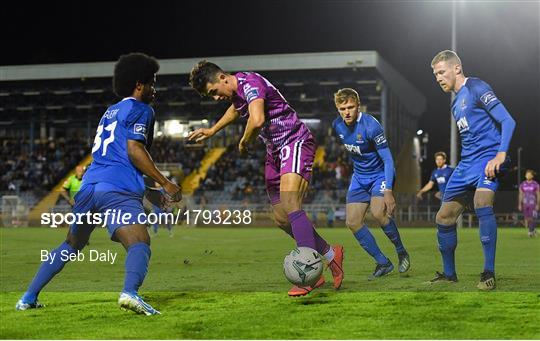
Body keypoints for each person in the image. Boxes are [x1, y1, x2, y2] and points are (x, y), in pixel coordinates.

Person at [16, 53, 182, 314]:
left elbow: (121, 155)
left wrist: (150, 192)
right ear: (139, 84)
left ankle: (27, 297)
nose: (154, 89)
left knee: (71, 245)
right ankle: (129, 293)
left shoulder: (110, 111)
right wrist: (165, 183)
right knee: (140, 242)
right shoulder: (142, 109)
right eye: (152, 82)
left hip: (90, 187)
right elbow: (134, 150)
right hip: (116, 190)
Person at [187, 61, 344, 297]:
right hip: (275, 152)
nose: (215, 98)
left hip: (294, 141)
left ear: (222, 78)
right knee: (281, 218)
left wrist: (244, 141)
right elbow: (236, 109)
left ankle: (308, 271)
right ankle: (332, 254)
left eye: (213, 92)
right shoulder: (238, 92)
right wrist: (212, 131)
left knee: (292, 205)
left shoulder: (250, 83)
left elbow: (257, 119)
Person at [429, 50, 516, 290]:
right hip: (466, 165)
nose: (438, 77)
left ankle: (488, 272)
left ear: (456, 68)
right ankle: (449, 274)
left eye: (441, 71)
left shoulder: (476, 86)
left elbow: (508, 121)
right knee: (443, 217)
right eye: (435, 74)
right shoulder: (455, 103)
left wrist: (500, 155)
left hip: (488, 159)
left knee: (481, 202)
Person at [332, 88, 410, 280]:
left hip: (379, 176)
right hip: (359, 178)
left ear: (358, 105)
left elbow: (388, 160)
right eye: (342, 108)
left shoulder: (371, 126)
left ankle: (401, 252)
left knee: (378, 213)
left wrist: (389, 191)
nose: (347, 112)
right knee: (352, 222)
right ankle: (383, 262)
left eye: (350, 107)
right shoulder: (337, 126)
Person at [518, 169, 539, 237]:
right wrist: (520, 204)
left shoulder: (535, 184)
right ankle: (533, 229)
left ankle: (530, 231)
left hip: (533, 204)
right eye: (526, 174)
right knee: (527, 218)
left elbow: (538, 195)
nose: (527, 175)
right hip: (525, 204)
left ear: (532, 176)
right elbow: (521, 194)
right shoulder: (522, 184)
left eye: (529, 174)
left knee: (532, 217)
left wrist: (538, 204)